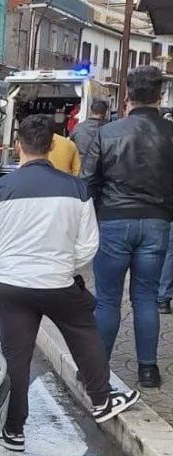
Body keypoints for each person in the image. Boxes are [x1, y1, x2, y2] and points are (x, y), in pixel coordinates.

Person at [0, 114, 139, 453]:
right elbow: (89, 243)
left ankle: (14, 430)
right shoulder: (76, 188)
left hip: (9, 285)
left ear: (18, 147)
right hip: (57, 282)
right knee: (82, 331)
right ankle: (102, 399)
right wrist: (65, 268)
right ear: (52, 146)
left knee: (17, 355)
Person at [81, 65, 173, 389]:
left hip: (114, 222)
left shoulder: (107, 133)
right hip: (157, 223)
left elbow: (87, 182)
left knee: (107, 299)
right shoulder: (170, 133)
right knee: (146, 297)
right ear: (160, 95)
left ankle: (97, 370)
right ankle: (148, 370)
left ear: (128, 95)